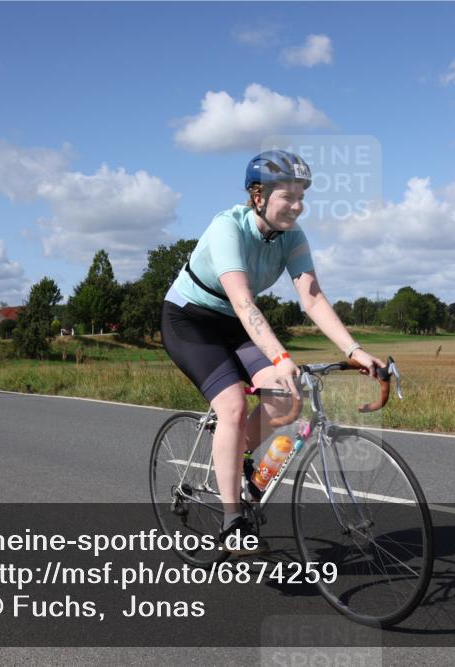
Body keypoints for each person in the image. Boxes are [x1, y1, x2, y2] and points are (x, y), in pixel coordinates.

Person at [160, 150, 384, 555]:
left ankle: (235, 459)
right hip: (190, 321)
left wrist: (355, 350)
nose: (297, 207)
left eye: (302, 197)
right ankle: (232, 520)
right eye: (288, 197)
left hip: (236, 324)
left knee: (287, 401)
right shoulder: (228, 228)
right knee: (230, 406)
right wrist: (281, 358)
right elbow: (245, 303)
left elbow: (312, 297)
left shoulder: (292, 238)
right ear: (258, 195)